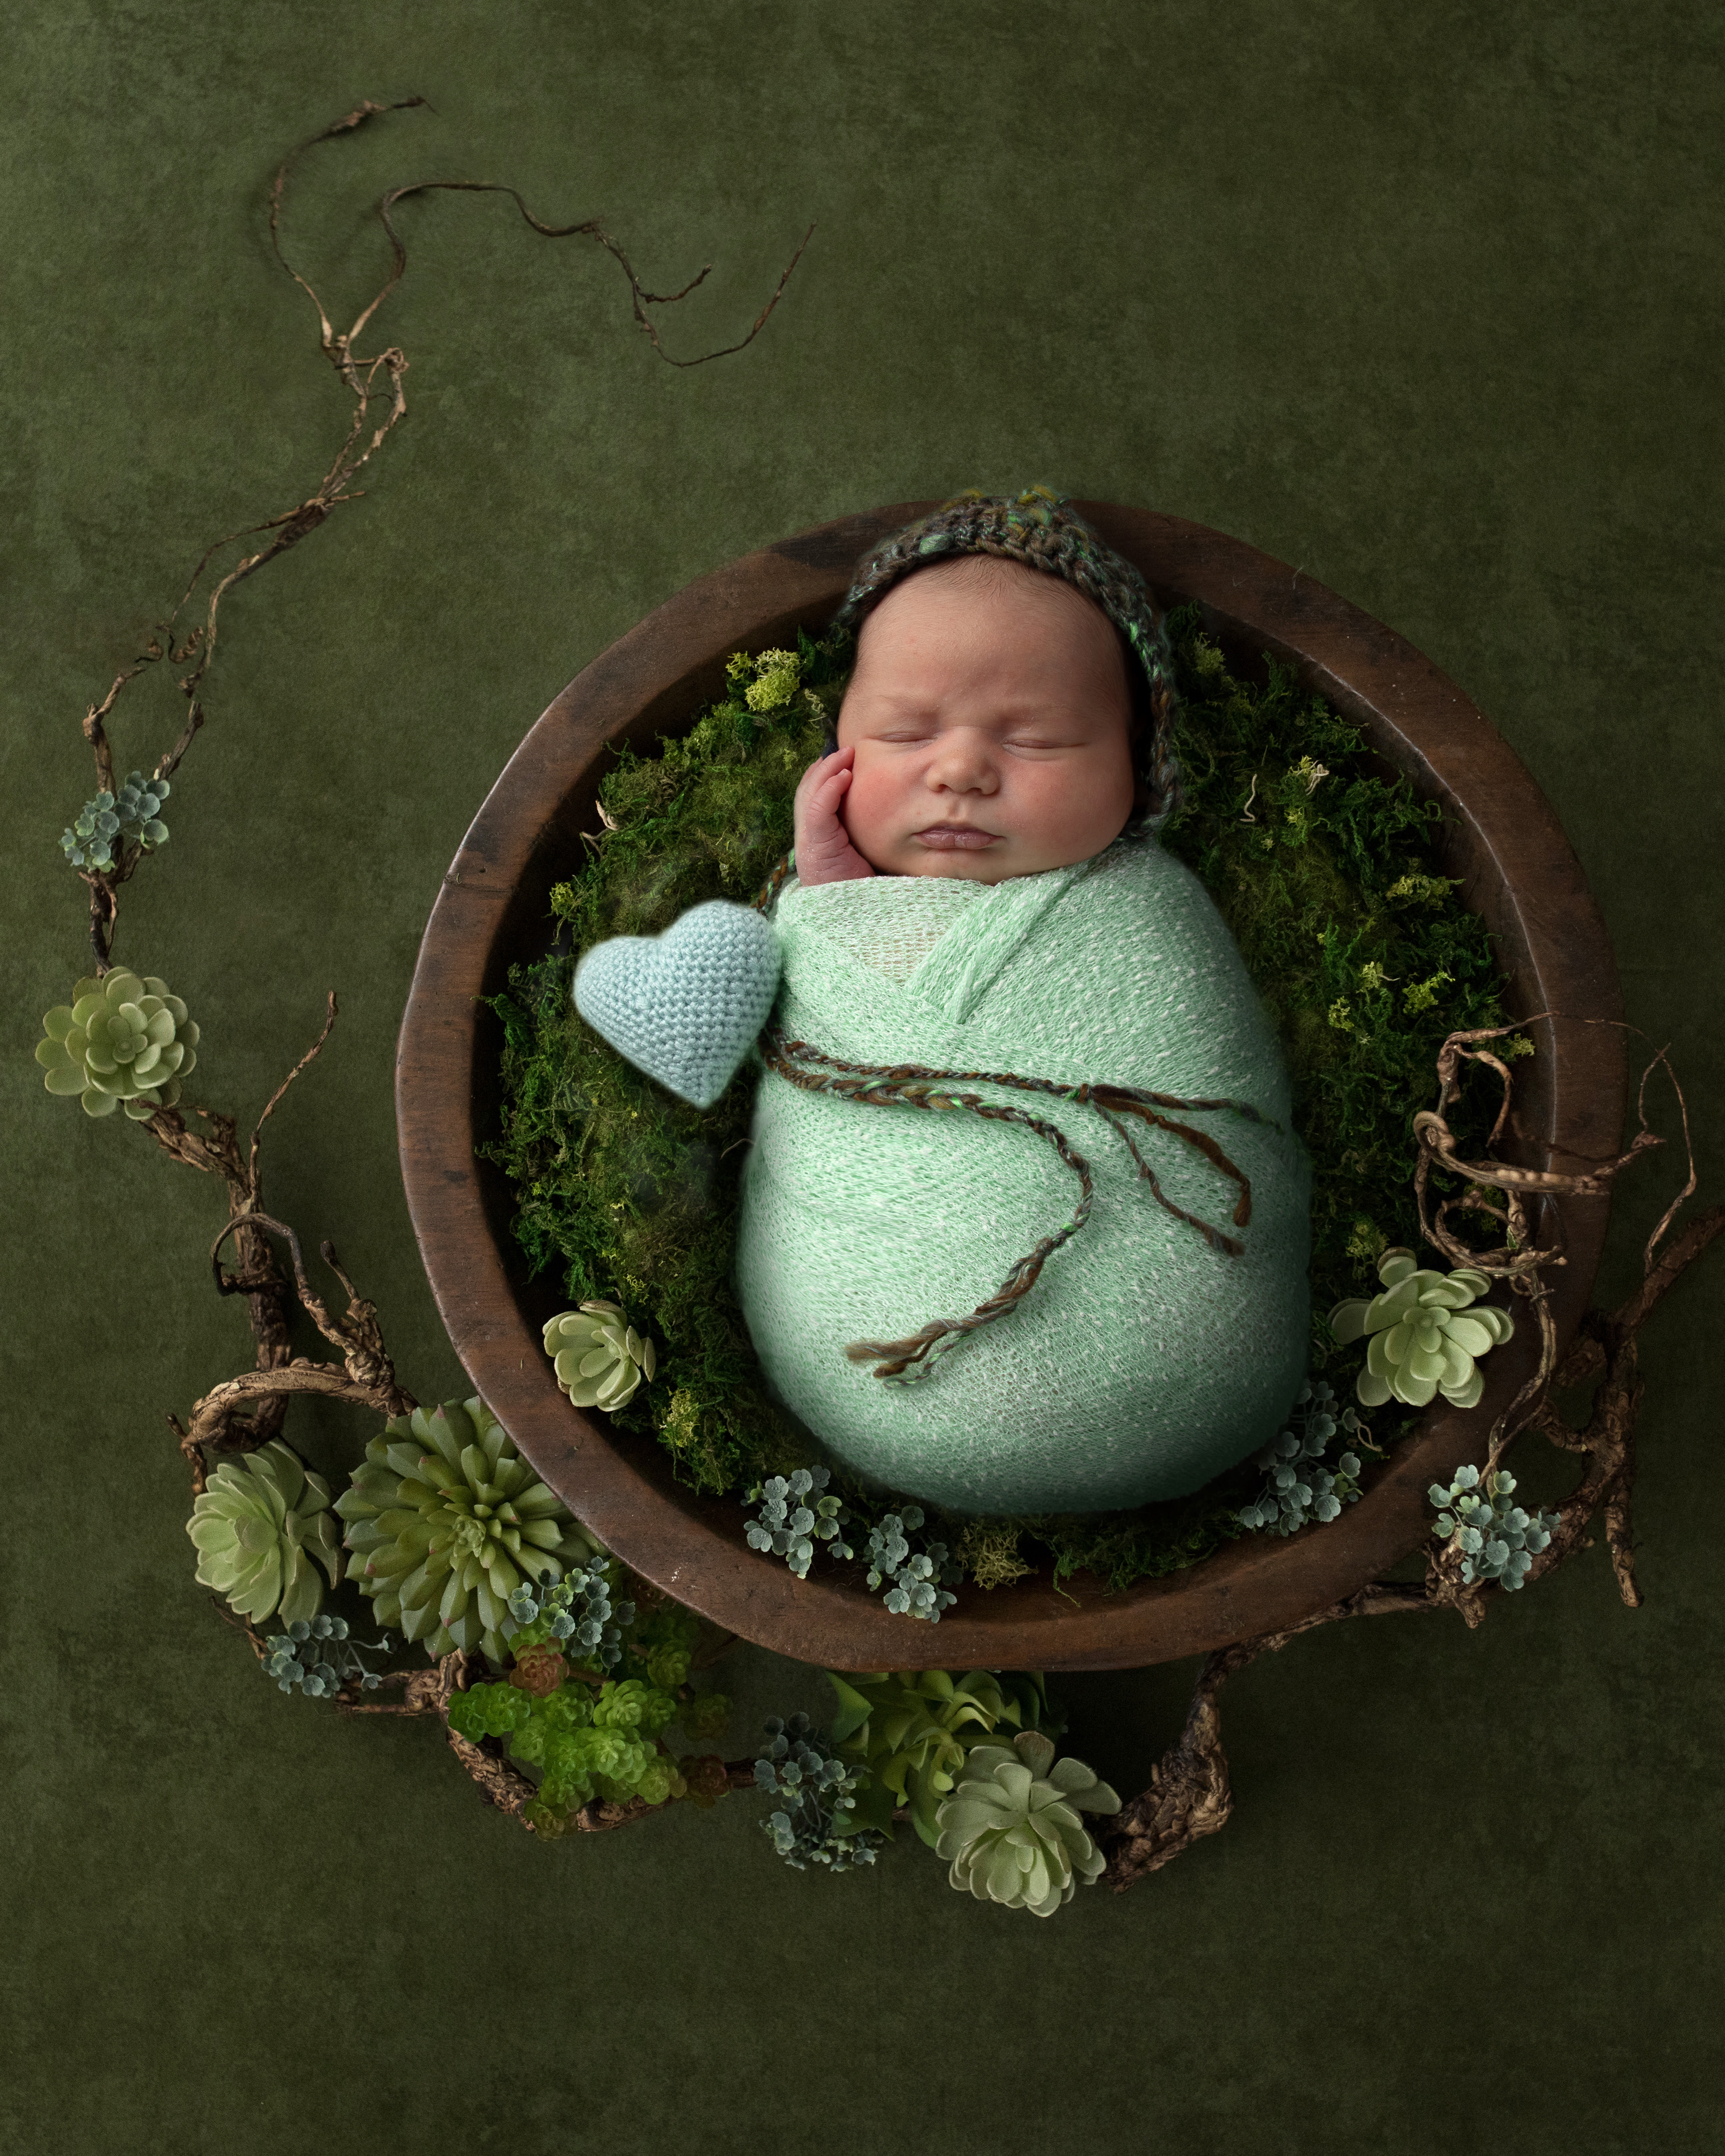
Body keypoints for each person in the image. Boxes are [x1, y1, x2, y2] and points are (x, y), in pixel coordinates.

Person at [578, 489, 1312, 1515]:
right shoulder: (821, 909)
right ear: (838, 750)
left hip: (1192, 1361)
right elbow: (836, 1033)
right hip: (872, 1364)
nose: (961, 769)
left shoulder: (1145, 912)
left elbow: (1200, 1071)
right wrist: (827, 904)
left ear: (1138, 778)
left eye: (1038, 741)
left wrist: (839, 905)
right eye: (905, 732)